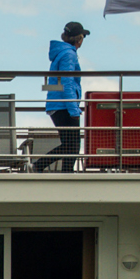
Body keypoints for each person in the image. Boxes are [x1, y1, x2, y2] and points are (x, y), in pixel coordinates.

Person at [31, 21, 89, 173]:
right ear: (79, 39)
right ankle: (39, 166)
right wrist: (73, 109)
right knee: (72, 146)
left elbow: (56, 83)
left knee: (70, 144)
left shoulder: (61, 53)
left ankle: (65, 173)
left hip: (57, 104)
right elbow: (67, 82)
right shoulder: (69, 54)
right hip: (64, 106)